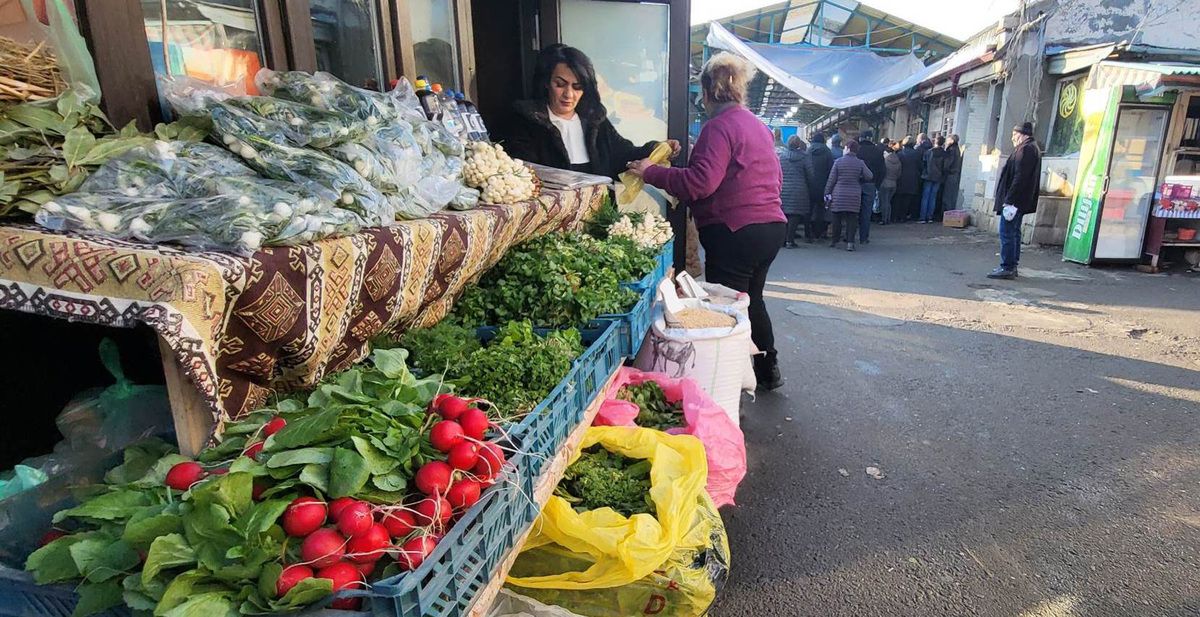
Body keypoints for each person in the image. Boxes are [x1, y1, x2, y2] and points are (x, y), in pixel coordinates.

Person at [626, 52, 786, 390]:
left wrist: (651, 172)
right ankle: (767, 368)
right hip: (770, 226)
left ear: (708, 91)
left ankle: (728, 387)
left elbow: (701, 183)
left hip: (734, 231)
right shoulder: (757, 126)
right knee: (752, 300)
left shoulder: (718, 127)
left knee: (726, 310)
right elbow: (771, 177)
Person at [505, 44, 679, 179]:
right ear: (546, 83)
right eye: (560, 84)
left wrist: (656, 148)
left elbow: (623, 154)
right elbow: (523, 174)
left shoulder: (594, 121)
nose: (568, 94)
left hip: (598, 214)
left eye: (577, 87)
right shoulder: (528, 123)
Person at [988, 122, 1042, 279]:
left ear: (1023, 134)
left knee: (1007, 232)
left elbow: (1020, 177)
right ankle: (1011, 265)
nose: (1012, 137)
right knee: (1014, 231)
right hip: (1019, 200)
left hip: (1015, 201)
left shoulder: (1025, 149)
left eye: (1014, 134)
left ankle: (1007, 266)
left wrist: (1009, 200)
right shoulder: (1030, 148)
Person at [824, 139, 872, 251]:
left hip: (839, 194)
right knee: (852, 219)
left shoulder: (838, 162)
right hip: (854, 195)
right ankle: (850, 242)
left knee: (837, 218)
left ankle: (835, 241)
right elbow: (869, 176)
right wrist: (859, 176)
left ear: (847, 149)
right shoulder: (860, 163)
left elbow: (831, 181)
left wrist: (827, 195)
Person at [779, 135, 814, 248]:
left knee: (784, 214)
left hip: (783, 189)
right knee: (795, 215)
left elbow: (777, 173)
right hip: (799, 189)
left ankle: (783, 240)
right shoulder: (804, 157)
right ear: (798, 144)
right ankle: (790, 240)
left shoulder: (781, 157)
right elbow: (810, 174)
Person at [856, 131, 885, 245]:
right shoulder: (877, 151)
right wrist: (877, 183)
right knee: (866, 212)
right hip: (870, 184)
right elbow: (882, 170)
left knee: (853, 212)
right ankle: (864, 237)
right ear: (870, 138)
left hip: (855, 183)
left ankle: (850, 236)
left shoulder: (857, 150)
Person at [808, 132, 834, 240]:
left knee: (809, 209)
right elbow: (831, 171)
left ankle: (809, 233)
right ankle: (820, 232)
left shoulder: (808, 151)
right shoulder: (828, 152)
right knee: (825, 208)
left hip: (809, 187)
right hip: (826, 188)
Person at [919, 136, 949, 223]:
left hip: (928, 176)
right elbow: (945, 167)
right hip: (938, 177)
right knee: (933, 197)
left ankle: (922, 217)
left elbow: (923, 164)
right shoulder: (944, 154)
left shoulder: (929, 152)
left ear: (935, 142)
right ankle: (930, 217)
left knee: (925, 197)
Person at [896, 136, 922, 222]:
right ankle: (904, 216)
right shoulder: (917, 154)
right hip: (913, 178)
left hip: (901, 177)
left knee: (899, 197)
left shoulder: (900, 153)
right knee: (908, 199)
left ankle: (897, 216)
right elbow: (920, 166)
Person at [880, 140, 902, 226]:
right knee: (889, 202)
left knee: (884, 202)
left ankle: (884, 219)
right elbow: (899, 174)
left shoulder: (885, 161)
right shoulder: (898, 161)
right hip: (894, 183)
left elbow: (882, 172)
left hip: (885, 183)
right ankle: (888, 218)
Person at [942, 134, 963, 215]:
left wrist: (944, 170)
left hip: (950, 173)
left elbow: (948, 163)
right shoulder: (956, 149)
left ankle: (946, 213)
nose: (947, 141)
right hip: (954, 173)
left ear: (952, 140)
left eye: (948, 139)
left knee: (947, 194)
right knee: (951, 194)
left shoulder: (951, 150)